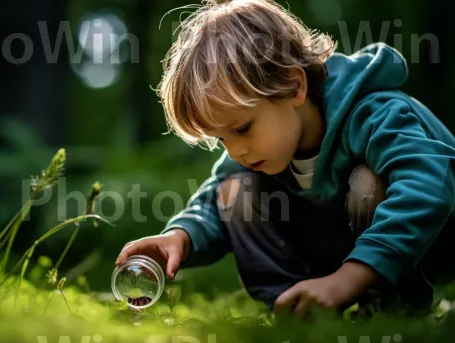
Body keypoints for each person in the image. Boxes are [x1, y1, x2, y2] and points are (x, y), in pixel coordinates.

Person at [115, 0, 455, 317]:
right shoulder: (263, 150)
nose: (235, 150)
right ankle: (292, 310)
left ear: (294, 87)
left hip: (427, 245)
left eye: (243, 128)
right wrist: (181, 237)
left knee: (369, 181)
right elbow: (211, 203)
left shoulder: (376, 114)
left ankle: (393, 313)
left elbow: (426, 185)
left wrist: (350, 277)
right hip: (336, 252)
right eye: (221, 140)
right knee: (235, 191)